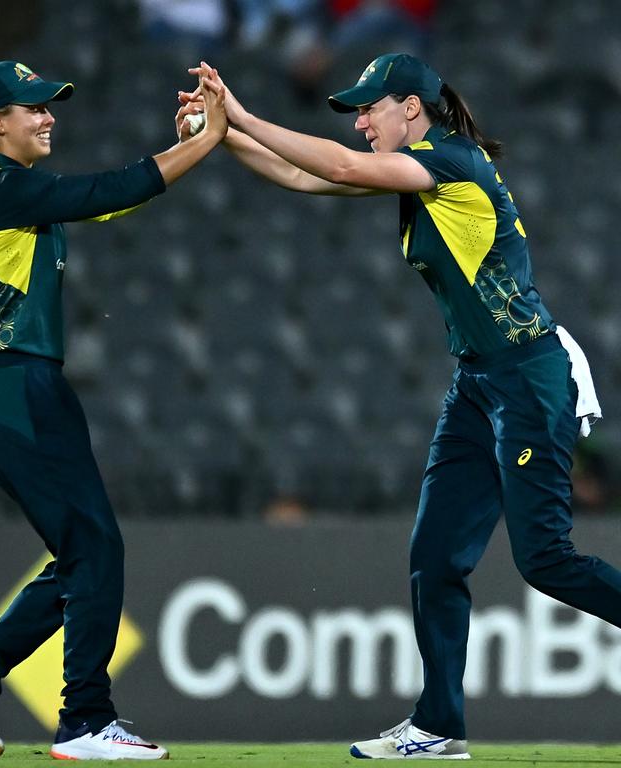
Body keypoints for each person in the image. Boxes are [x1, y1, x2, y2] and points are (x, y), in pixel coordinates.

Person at [180, 53, 621, 758]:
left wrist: (241, 114)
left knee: (546, 560)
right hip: (479, 383)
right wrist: (219, 135)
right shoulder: (416, 170)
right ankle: (439, 725)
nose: (360, 123)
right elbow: (303, 175)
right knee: (434, 555)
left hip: (527, 375)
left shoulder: (449, 161)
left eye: (369, 108)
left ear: (411, 109)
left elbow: (340, 167)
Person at [0, 59, 226, 761]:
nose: (48, 115)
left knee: (86, 551)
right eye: (34, 107)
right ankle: (84, 719)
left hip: (12, 385)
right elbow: (107, 191)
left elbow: (108, 199)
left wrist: (184, 144)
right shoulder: (1, 186)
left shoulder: (0, 186)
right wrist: (205, 140)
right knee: (94, 548)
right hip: (16, 387)